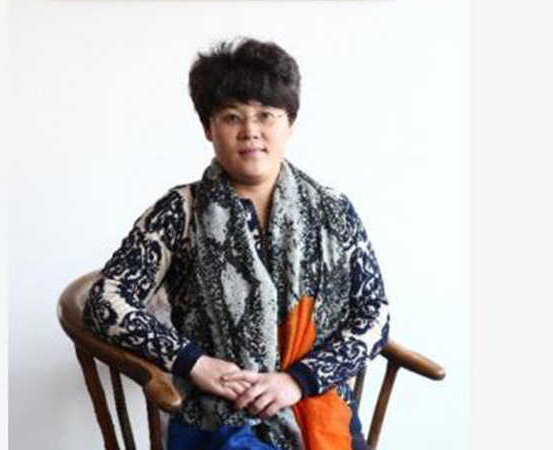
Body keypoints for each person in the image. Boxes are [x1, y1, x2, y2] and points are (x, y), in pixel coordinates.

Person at [83, 37, 390, 450]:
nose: (250, 131)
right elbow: (106, 300)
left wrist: (299, 380)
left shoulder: (333, 211)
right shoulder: (180, 210)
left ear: (290, 123)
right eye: (232, 117)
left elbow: (374, 315)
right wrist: (193, 362)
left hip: (317, 406)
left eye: (266, 115)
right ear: (208, 128)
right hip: (217, 413)